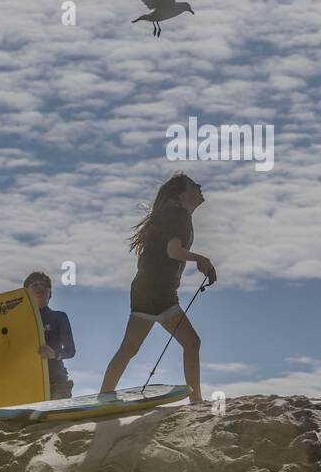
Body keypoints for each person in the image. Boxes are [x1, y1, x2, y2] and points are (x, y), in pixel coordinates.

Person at [99, 173, 216, 405]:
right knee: (192, 343)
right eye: (194, 185)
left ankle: (104, 395)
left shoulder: (170, 216)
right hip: (160, 292)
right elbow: (173, 251)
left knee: (129, 348)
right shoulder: (178, 216)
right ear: (181, 195)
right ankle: (197, 400)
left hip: (143, 289)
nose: (200, 186)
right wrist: (202, 259)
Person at [24, 271, 76, 399]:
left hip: (57, 383)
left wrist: (55, 354)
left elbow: (70, 351)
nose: (40, 287)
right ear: (25, 293)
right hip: (28, 383)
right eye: (35, 285)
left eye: (45, 285)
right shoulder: (18, 324)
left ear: (50, 293)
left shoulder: (59, 317)